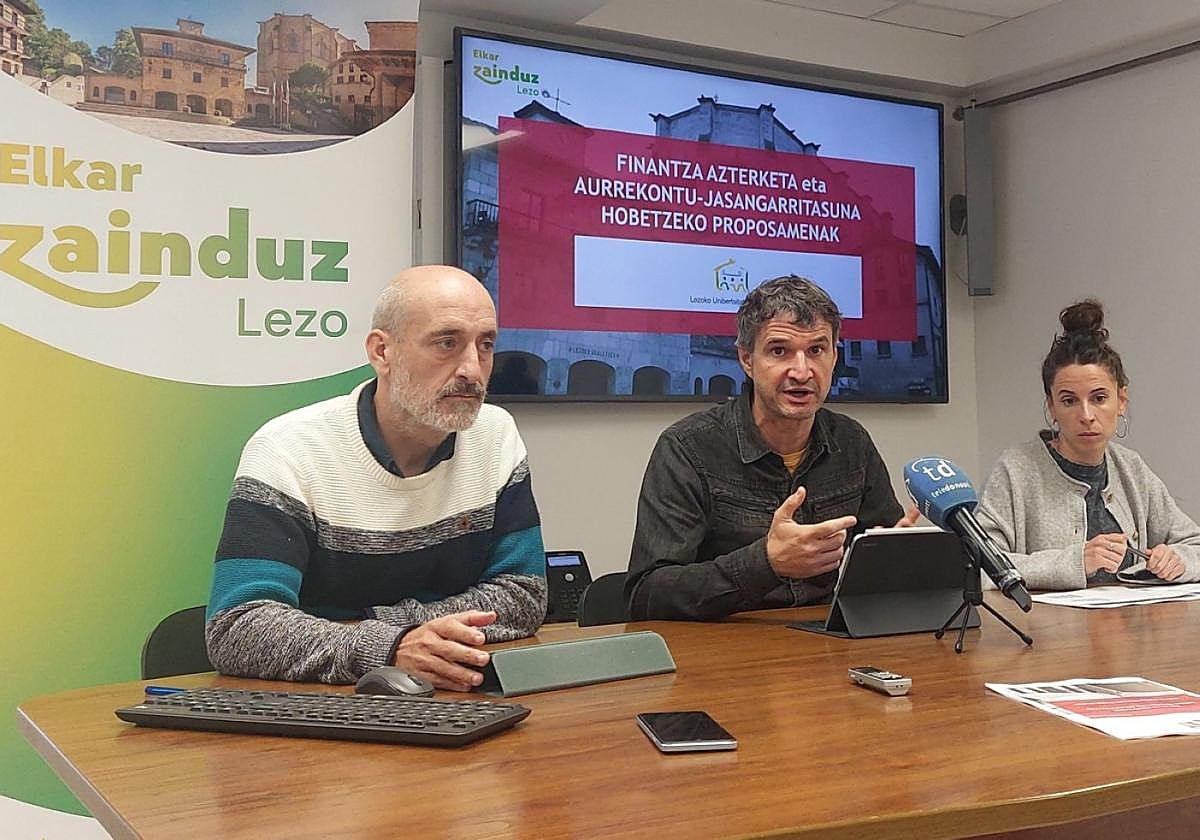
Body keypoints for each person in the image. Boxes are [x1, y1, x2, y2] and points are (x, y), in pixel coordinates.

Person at [206, 265, 547, 689]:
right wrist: (390, 647)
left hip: (450, 696)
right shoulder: (288, 449)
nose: (473, 371)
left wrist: (395, 632)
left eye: (486, 346)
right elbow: (239, 627)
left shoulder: (494, 436)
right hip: (317, 716)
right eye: (447, 343)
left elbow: (524, 594)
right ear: (382, 352)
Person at [624, 275, 919, 620]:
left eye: (816, 350)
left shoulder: (851, 442)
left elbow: (878, 547)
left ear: (834, 357)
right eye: (779, 351)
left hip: (826, 648)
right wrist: (766, 564)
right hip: (722, 656)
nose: (801, 371)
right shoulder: (688, 448)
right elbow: (647, 594)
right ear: (747, 360)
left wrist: (894, 557)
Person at [976, 299, 1200, 590]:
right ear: (1052, 407)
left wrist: (1178, 560)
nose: (1086, 416)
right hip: (1048, 633)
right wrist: (1074, 562)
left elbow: (1194, 545)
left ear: (1121, 401)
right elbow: (980, 566)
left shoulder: (1130, 468)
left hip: (1133, 629)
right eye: (1069, 401)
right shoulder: (1017, 471)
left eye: (1099, 398)